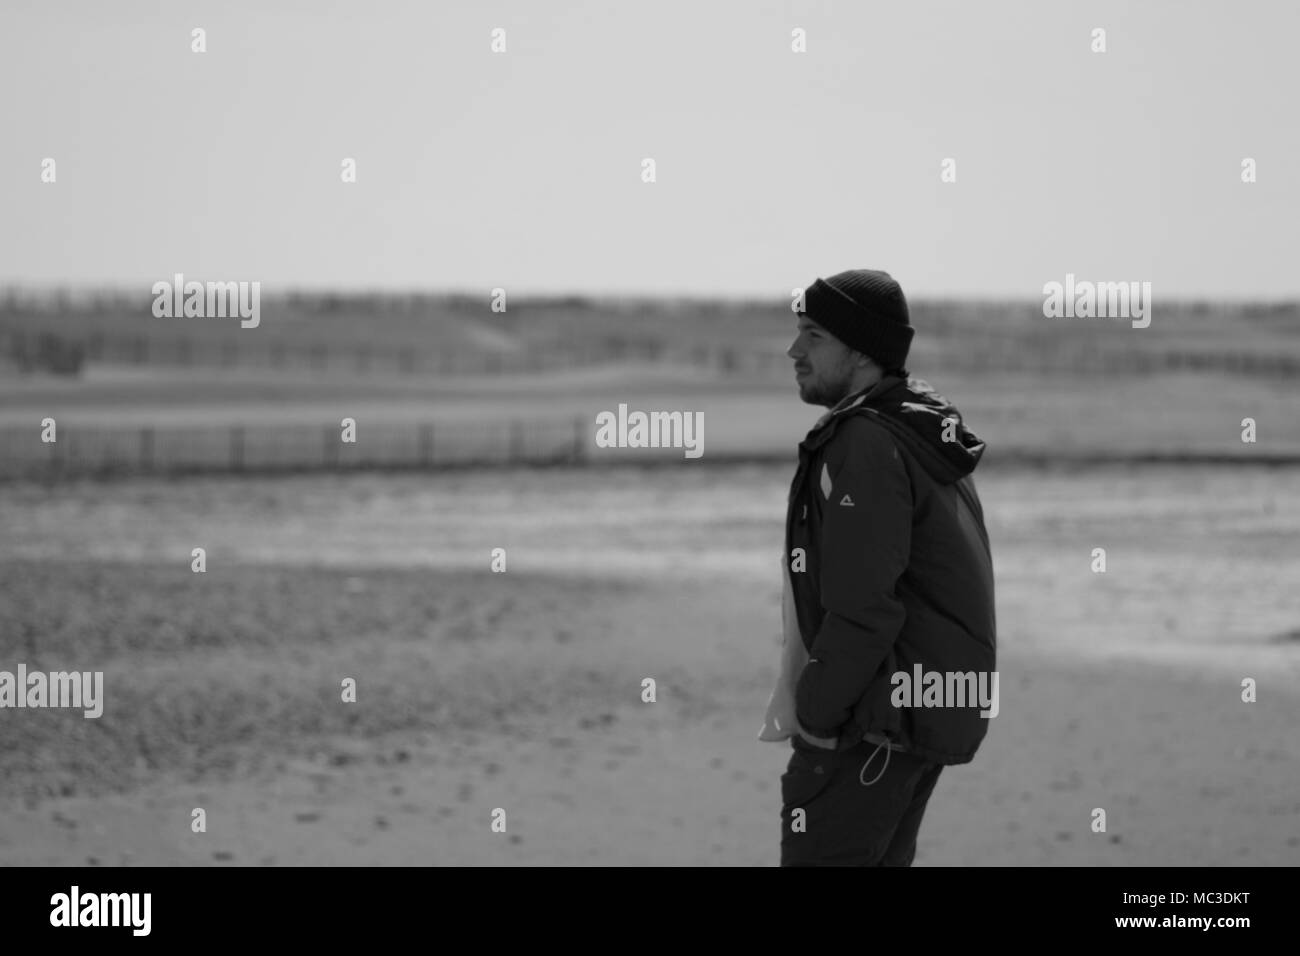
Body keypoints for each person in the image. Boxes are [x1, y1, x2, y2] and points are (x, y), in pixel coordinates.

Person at [758, 268, 997, 866]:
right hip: (911, 723)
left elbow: (866, 606)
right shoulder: (914, 428)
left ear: (861, 351)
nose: (794, 351)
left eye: (813, 335)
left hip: (868, 729)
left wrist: (817, 715)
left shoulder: (868, 442)